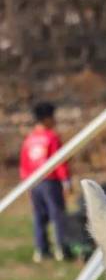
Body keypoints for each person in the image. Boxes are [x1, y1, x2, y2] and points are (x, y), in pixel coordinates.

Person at [19, 101, 72, 263]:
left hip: (34, 183)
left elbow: (24, 164)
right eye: (52, 117)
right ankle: (61, 248)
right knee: (58, 214)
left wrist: (27, 184)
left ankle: (41, 250)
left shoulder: (29, 139)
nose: (55, 120)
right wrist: (66, 180)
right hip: (50, 181)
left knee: (39, 216)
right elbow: (59, 160)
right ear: (46, 118)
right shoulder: (52, 137)